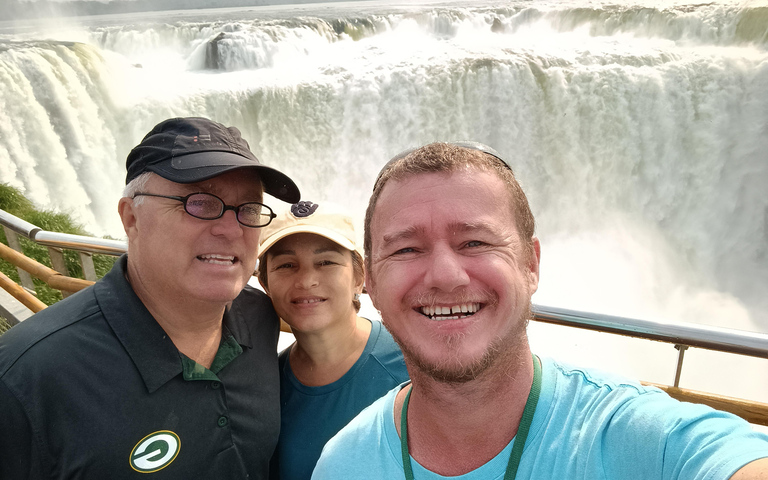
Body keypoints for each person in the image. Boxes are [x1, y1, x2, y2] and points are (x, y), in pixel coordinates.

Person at [312, 142, 768, 480]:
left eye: (475, 241)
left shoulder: (639, 439)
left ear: (530, 265)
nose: (445, 275)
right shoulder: (341, 465)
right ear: (369, 281)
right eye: (407, 248)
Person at [0, 117, 300, 479]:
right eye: (200, 202)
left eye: (249, 209)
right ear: (131, 219)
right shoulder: (26, 379)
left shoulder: (260, 317)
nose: (231, 229)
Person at [255, 200, 409, 480]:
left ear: (359, 277)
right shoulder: (264, 384)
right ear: (264, 283)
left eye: (326, 262)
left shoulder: (412, 362)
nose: (306, 280)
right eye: (286, 265)